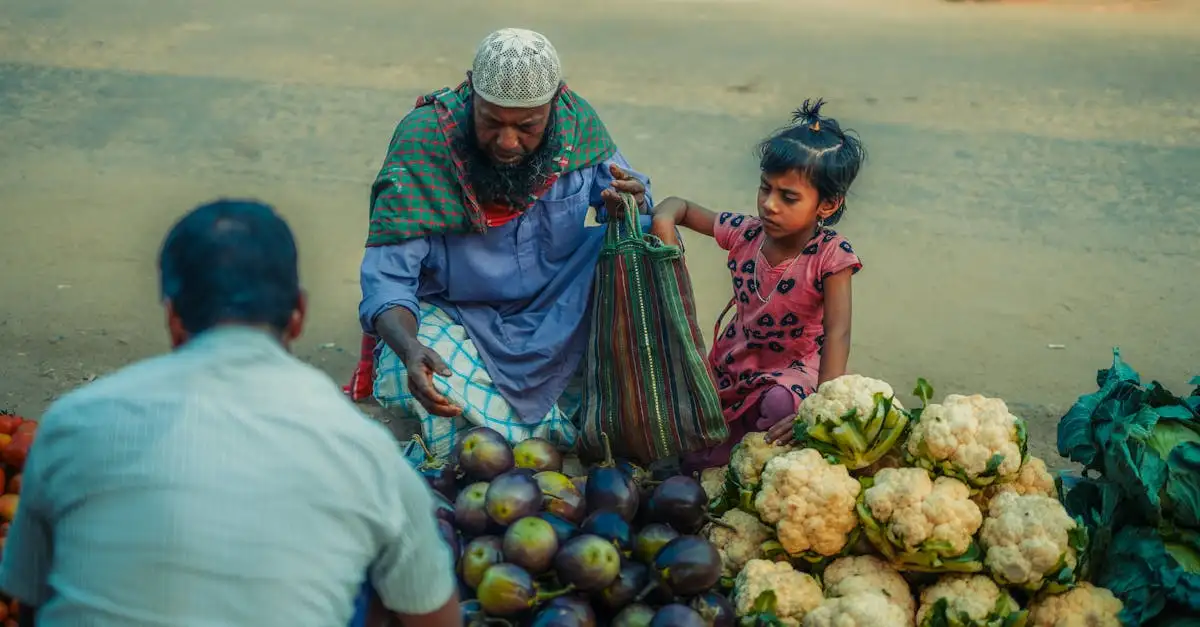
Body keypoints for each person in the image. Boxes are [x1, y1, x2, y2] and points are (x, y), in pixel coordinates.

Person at [0, 200, 460, 627]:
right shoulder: (363, 451)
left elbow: (29, 602)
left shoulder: (73, 425)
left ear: (173, 316)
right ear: (298, 313)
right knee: (372, 572)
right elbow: (435, 618)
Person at [348, 28, 653, 461]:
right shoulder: (424, 142)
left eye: (527, 127)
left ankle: (505, 435)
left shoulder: (577, 125)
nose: (508, 142)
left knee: (636, 258)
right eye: (491, 123)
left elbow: (635, 204)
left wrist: (629, 202)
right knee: (407, 375)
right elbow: (388, 281)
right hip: (459, 312)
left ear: (553, 107)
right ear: (472, 96)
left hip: (558, 305)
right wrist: (411, 348)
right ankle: (553, 433)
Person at [647, 100, 867, 473]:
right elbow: (679, 206)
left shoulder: (831, 256)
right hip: (735, 366)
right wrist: (664, 220)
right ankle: (732, 446)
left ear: (827, 205)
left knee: (781, 407)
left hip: (793, 374)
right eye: (765, 189)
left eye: (788, 197)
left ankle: (762, 450)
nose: (769, 205)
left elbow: (838, 334)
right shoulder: (746, 232)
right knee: (687, 435)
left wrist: (820, 411)